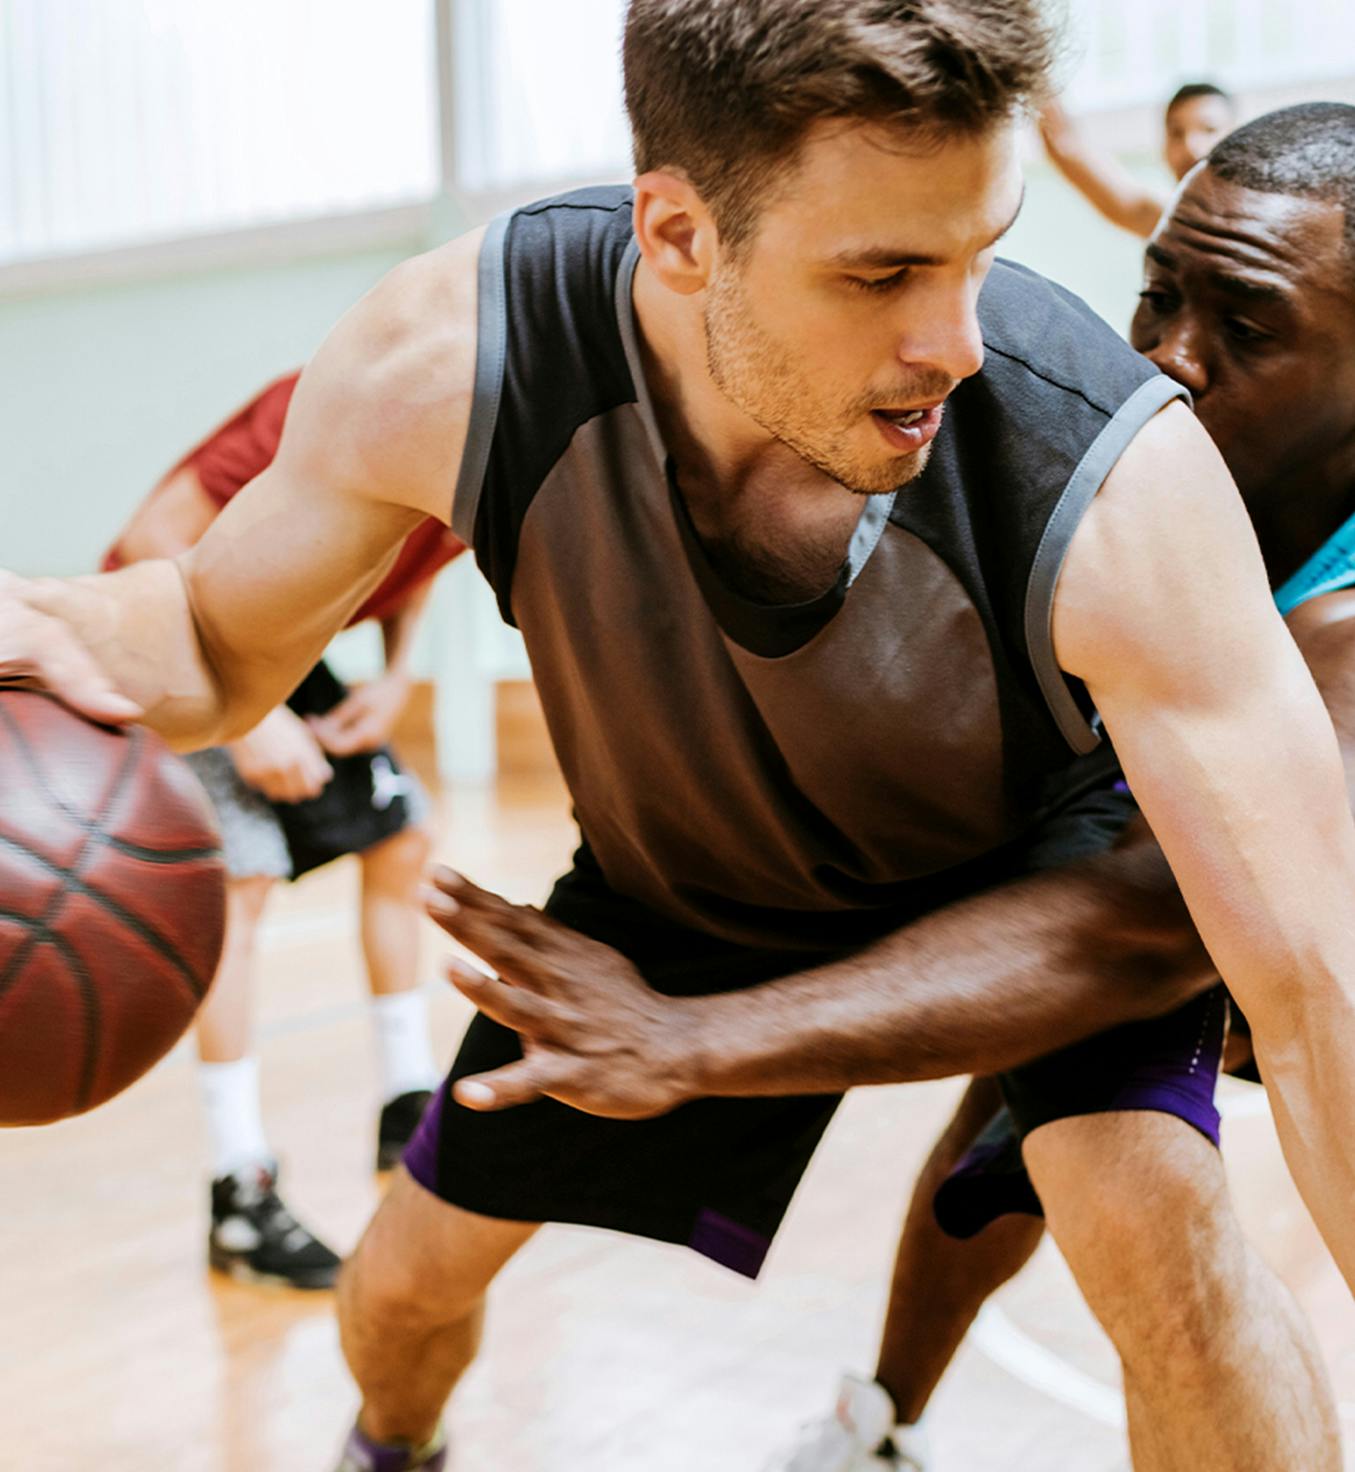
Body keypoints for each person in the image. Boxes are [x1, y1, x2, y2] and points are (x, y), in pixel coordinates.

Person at [4, 6, 1355, 1471]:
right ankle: (392, 1451)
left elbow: (1313, 991)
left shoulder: (1111, 478)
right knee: (395, 1294)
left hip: (1024, 858)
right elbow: (207, 642)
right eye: (882, 271)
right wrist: (76, 628)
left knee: (1163, 1248)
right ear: (676, 235)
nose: (954, 342)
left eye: (979, 252)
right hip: (687, 887)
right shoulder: (454, 358)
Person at [777, 100, 1355, 1471]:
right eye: (1155, 297)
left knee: (1155, 1203)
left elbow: (1155, 929)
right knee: (1021, 1103)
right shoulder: (1127, 484)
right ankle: (876, 1423)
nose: (1165, 359)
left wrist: (713, 1033)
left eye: (1245, 328)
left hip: (1267, 948)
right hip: (1198, 926)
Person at [103, 373, 465, 1288]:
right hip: (166, 632)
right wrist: (250, 722)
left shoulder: (499, 451)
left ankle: (406, 1099)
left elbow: (415, 562)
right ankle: (239, 1189)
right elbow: (155, 537)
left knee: (401, 841)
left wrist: (396, 677)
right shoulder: (336, 400)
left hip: (271, 644)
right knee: (241, 884)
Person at [1039, 81, 1237, 237]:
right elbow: (1065, 146)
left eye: (1209, 130)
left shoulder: (1263, 215)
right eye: (1176, 133)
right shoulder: (1171, 221)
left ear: (1239, 140)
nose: (1190, 146)